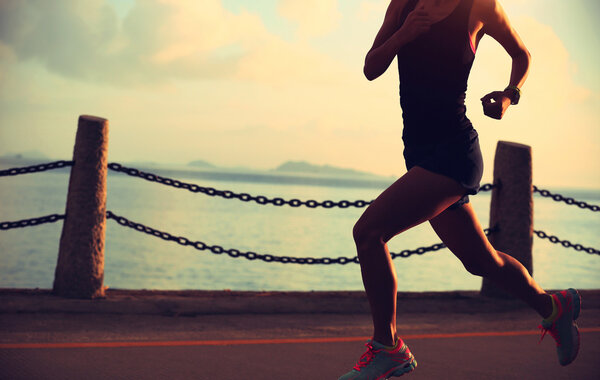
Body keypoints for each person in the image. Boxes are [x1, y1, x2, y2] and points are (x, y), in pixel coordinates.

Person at [338, 0, 581, 379]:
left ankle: (389, 347)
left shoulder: (480, 6)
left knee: (369, 233)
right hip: (419, 152)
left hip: (454, 154)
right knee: (481, 261)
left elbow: (521, 53)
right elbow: (372, 67)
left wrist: (509, 94)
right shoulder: (403, 5)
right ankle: (554, 307)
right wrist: (404, 34)